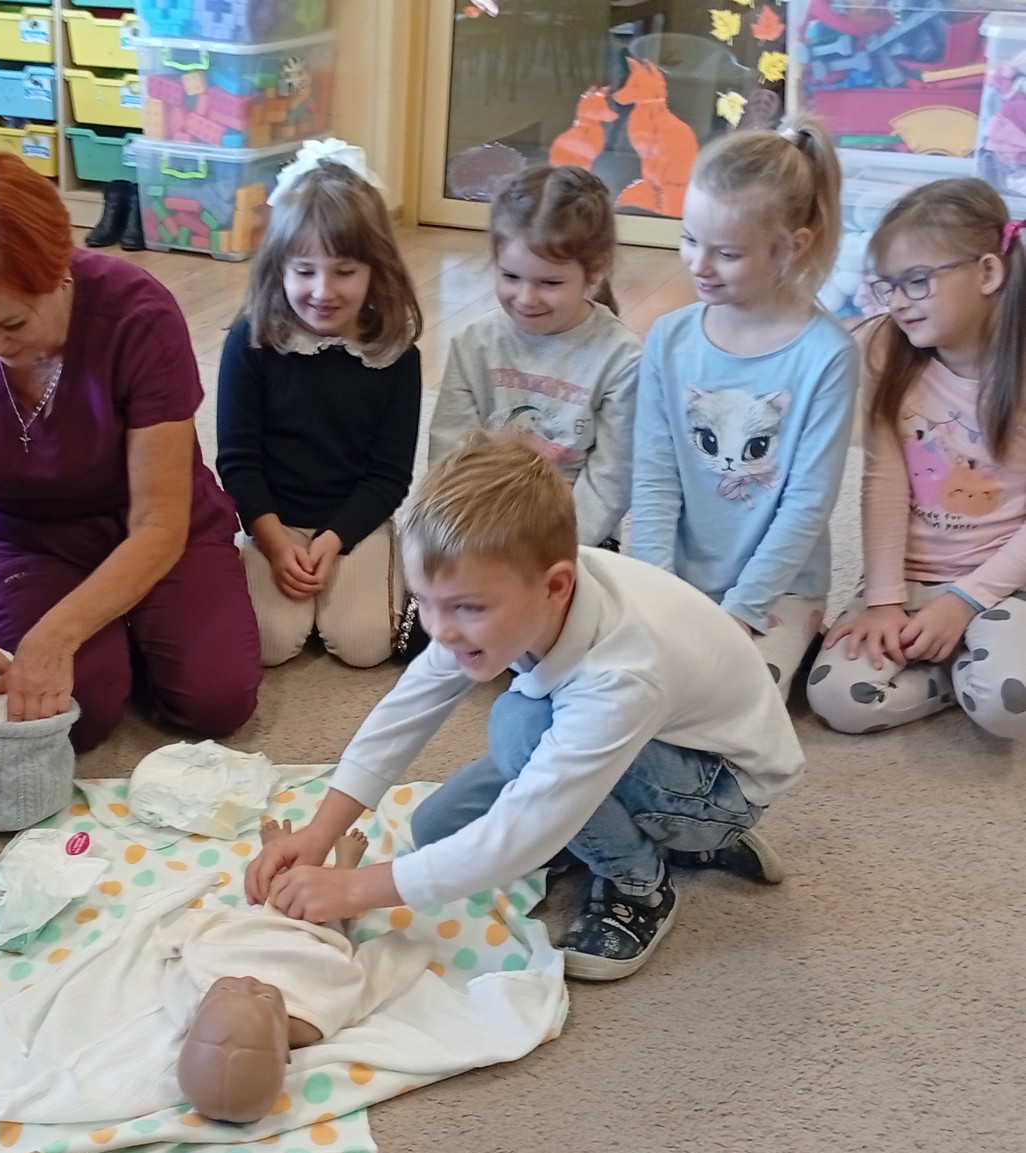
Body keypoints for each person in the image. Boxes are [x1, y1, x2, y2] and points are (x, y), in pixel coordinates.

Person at [245, 435, 803, 981]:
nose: (439, 630)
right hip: (657, 743)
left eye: (465, 608)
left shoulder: (623, 673)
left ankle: (642, 881)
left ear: (555, 587)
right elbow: (405, 711)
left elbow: (524, 831)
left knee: (520, 726)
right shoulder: (515, 578)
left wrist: (353, 889)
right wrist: (319, 832)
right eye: (425, 603)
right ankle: (641, 828)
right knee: (438, 829)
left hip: (722, 788)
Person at [0, 151, 261, 754]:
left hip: (151, 524)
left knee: (216, 698)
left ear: (59, 270)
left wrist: (57, 634)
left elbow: (159, 523)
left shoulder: (138, 316)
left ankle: (147, 619)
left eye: (11, 325)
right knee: (78, 713)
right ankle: (120, 633)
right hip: (21, 537)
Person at [630, 117, 858, 694]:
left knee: (726, 698)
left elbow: (807, 504)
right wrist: (655, 589)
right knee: (619, 681)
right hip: (677, 579)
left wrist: (741, 610)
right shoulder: (668, 339)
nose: (699, 265)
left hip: (779, 590)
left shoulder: (827, 356)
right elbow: (655, 478)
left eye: (727, 253)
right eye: (689, 239)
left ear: (793, 247)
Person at [808, 179, 1026, 738]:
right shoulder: (886, 348)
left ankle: (971, 659)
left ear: (988, 272)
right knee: (836, 699)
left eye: (918, 281)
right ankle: (956, 671)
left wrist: (967, 600)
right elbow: (883, 481)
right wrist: (884, 600)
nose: (899, 302)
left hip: (1005, 580)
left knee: (1009, 705)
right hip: (912, 576)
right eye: (890, 286)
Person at [215, 139, 423, 669]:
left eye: (345, 271)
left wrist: (335, 540)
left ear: (376, 269)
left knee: (366, 645)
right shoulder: (249, 341)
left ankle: (389, 566)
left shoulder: (397, 357)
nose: (323, 290)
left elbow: (389, 474)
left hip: (356, 521)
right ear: (279, 267)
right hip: (272, 520)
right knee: (266, 644)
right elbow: (238, 460)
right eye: (304, 270)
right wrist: (273, 543)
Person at [429, 164, 640, 551]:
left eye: (550, 282)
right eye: (511, 277)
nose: (526, 298)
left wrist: (555, 546)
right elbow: (450, 451)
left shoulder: (622, 359)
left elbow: (612, 477)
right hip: (480, 530)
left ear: (594, 271)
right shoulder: (473, 343)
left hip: (573, 536)